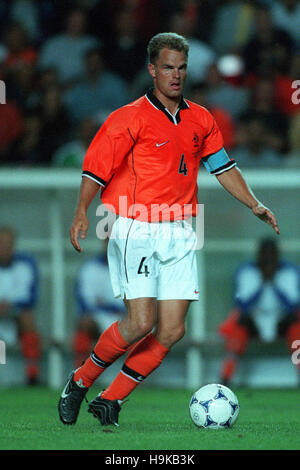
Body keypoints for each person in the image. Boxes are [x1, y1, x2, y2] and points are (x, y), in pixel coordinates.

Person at [58, 32, 280, 426]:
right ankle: (80, 380)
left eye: (180, 68)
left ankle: (111, 400)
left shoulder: (202, 119)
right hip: (135, 225)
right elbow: (96, 168)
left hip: (179, 229)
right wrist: (80, 211)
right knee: (141, 322)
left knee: (173, 329)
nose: (175, 75)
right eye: (167, 68)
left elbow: (224, 167)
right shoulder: (128, 117)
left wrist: (254, 203)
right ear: (152, 70)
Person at [219, 238, 300, 386]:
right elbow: (241, 304)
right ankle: (225, 378)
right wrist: (262, 283)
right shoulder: (246, 271)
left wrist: (274, 283)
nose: (268, 258)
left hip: (281, 319)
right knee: (239, 323)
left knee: (296, 323)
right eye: (265, 254)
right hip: (254, 319)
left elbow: (293, 305)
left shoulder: (290, 271)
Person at [72, 244, 126, 369]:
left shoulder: (133, 267)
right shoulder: (91, 268)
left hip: (127, 318)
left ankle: (136, 378)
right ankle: (79, 374)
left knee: (142, 325)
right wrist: (112, 307)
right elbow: (86, 302)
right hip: (99, 317)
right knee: (85, 323)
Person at [0, 227, 41, 385]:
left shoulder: (25, 265)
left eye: (7, 244)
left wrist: (9, 305)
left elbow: (30, 297)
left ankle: (32, 375)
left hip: (14, 315)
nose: (4, 248)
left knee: (27, 317)